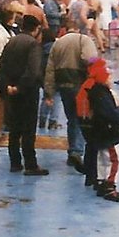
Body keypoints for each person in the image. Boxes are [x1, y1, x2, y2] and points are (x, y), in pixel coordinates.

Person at [44, 17, 98, 171]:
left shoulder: (57, 43)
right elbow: (90, 59)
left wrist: (49, 92)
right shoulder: (84, 40)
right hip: (80, 85)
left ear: (64, 29)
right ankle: (77, 151)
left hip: (63, 85)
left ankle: (72, 151)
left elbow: (49, 70)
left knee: (71, 119)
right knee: (82, 118)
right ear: (78, 29)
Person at [0, 14, 49, 175]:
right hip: (27, 92)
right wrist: (20, 87)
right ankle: (31, 164)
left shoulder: (12, 41)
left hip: (11, 90)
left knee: (14, 127)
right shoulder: (33, 45)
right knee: (28, 129)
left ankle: (15, 162)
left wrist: (8, 86)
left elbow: (2, 64)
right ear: (36, 29)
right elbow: (33, 71)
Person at [76, 58, 119, 203]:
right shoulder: (99, 91)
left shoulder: (88, 86)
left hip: (93, 130)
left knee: (101, 157)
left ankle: (98, 181)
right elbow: (109, 113)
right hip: (106, 132)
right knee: (114, 159)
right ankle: (109, 186)